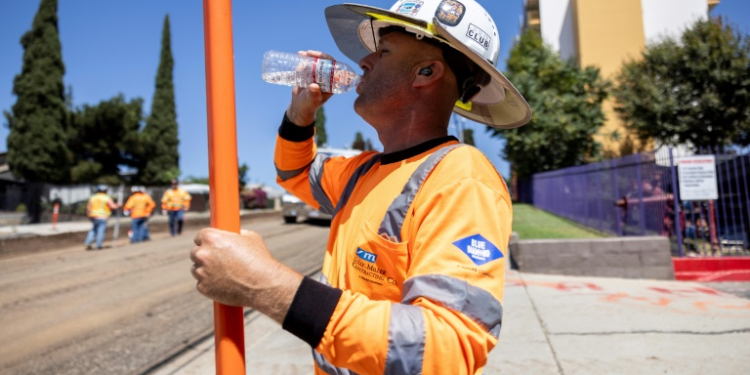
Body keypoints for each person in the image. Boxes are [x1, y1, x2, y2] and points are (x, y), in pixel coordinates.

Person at [190, 1, 531, 374]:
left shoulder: (462, 180)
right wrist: (300, 114)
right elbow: (295, 172)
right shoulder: (365, 171)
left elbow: (445, 346)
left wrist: (266, 284)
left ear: (426, 71)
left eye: (383, 51)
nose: (364, 62)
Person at [84, 185, 119, 250]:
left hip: (93, 216)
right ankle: (98, 245)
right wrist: (118, 206)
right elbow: (113, 206)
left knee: (94, 230)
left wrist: (88, 216)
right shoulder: (106, 197)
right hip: (103, 216)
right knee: (101, 231)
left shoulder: (93, 197)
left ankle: (88, 243)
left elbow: (88, 208)